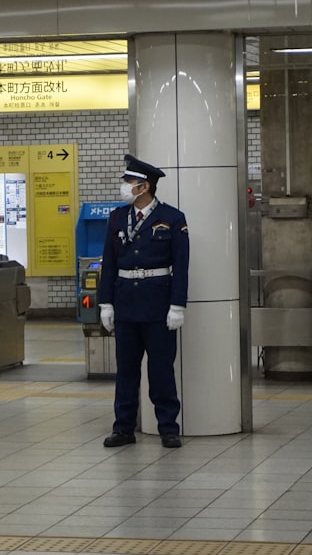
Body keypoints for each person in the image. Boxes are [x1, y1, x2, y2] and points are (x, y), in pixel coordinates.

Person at [97, 154, 189, 449]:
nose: (124, 186)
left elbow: (182, 265)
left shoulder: (173, 218)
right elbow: (109, 263)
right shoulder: (116, 218)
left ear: (144, 186)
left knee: (161, 370)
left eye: (129, 182)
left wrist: (178, 305)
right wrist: (105, 303)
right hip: (125, 303)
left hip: (158, 304)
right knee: (126, 370)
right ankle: (123, 428)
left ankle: (168, 427)